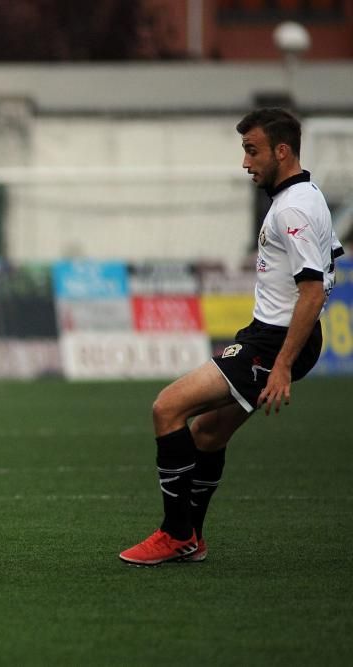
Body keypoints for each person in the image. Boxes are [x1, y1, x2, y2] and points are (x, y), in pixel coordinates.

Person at [119, 107, 343, 566]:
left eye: (252, 150)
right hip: (271, 337)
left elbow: (314, 288)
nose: (245, 163)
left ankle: (174, 534)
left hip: (273, 343)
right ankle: (192, 538)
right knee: (207, 433)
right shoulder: (307, 195)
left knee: (168, 408)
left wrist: (281, 363)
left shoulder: (294, 207)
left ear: (282, 151)